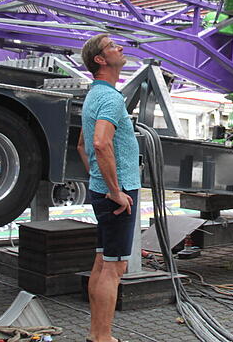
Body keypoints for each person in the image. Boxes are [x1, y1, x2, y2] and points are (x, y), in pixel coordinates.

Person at [77, 34, 141, 342]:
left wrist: (100, 180)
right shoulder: (111, 98)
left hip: (104, 190)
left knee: (103, 263)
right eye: (113, 46)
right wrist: (114, 189)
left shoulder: (95, 95)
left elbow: (82, 145)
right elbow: (100, 143)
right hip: (118, 194)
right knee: (114, 268)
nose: (120, 49)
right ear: (101, 60)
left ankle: (96, 336)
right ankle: (102, 338)